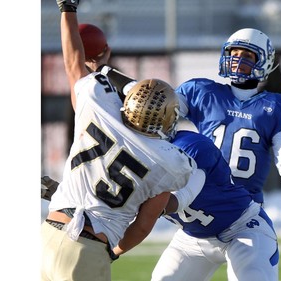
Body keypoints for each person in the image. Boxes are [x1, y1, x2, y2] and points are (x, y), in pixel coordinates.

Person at [41, 1, 204, 280]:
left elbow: (72, 63)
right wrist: (115, 251)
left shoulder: (96, 104)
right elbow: (143, 224)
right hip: (88, 249)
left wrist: (67, 8)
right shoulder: (171, 163)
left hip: (45, 237)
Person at [175, 28, 281, 204]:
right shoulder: (203, 92)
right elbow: (161, 112)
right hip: (201, 199)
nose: (237, 59)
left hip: (245, 206)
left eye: (246, 56)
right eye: (234, 53)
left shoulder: (277, 106)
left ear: (264, 62)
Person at [151, 127, 279, 281]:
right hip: (192, 238)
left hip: (241, 227)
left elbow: (179, 200)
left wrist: (141, 201)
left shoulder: (190, 146)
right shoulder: (135, 153)